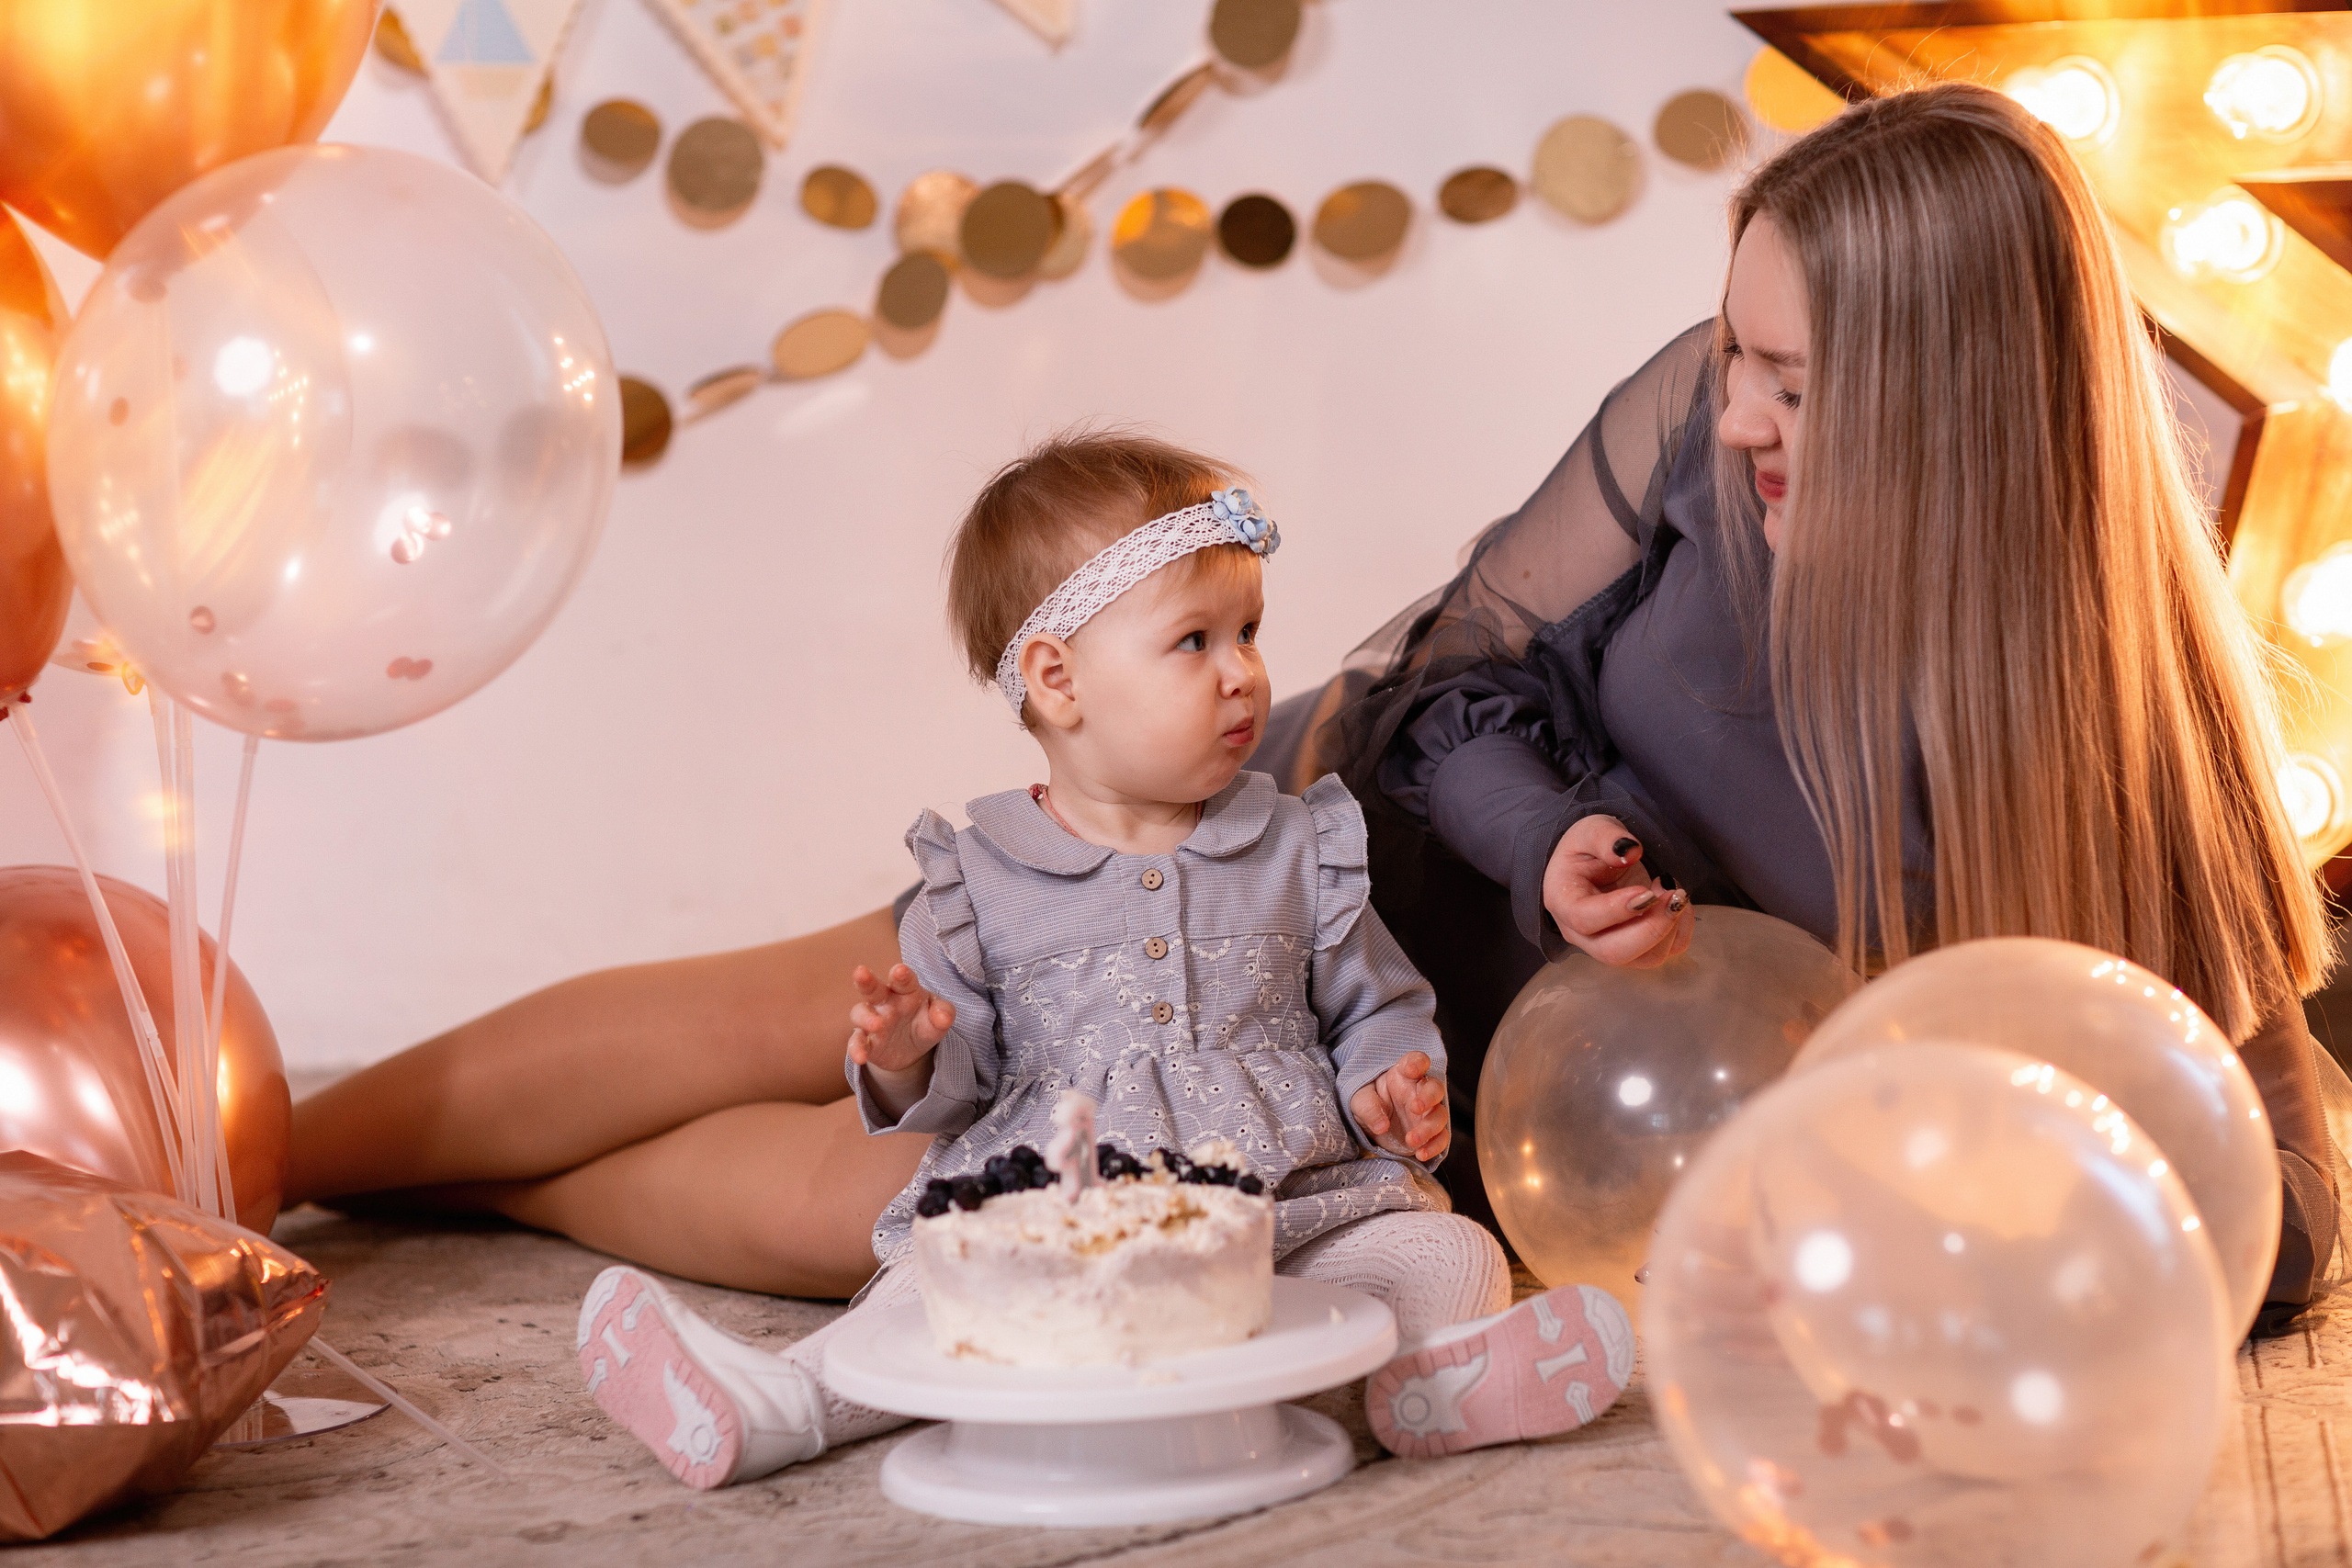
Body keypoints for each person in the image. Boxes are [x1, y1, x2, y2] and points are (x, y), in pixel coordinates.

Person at [288, 80, 2339, 1339]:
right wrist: (1549, 832)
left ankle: (451, 1192)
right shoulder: (1695, 449)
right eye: (1737, 349)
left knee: (886, 1219)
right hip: (1340, 878)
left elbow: (2274, 1213)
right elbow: (1454, 673)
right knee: (807, 1005)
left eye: (1794, 383)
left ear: (1953, 410)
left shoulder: (2110, 745)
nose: (1737, 415)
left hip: (1474, 1120)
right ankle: (263, 1157)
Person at [569, 433, 1634, 1488]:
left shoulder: (1298, 843)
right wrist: (902, 1054)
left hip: (1293, 1216)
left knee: (1450, 1254)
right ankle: (777, 1407)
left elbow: (1375, 1005)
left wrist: (1389, 1079)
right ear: (1058, 678)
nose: (1243, 675)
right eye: (1194, 642)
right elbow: (955, 1087)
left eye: (1249, 632)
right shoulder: (978, 881)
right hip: (1059, 1235)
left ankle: (1428, 1391)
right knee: (924, 1300)